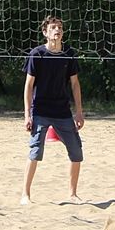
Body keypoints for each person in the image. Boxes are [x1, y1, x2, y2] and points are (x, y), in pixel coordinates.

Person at [21, 15, 85, 205]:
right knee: (35, 151)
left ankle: (72, 194)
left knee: (76, 152)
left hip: (62, 111)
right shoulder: (36, 54)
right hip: (40, 110)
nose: (57, 30)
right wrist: (27, 114)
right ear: (45, 32)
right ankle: (25, 195)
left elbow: (75, 84)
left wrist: (79, 111)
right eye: (53, 28)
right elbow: (28, 86)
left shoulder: (68, 53)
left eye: (60, 28)